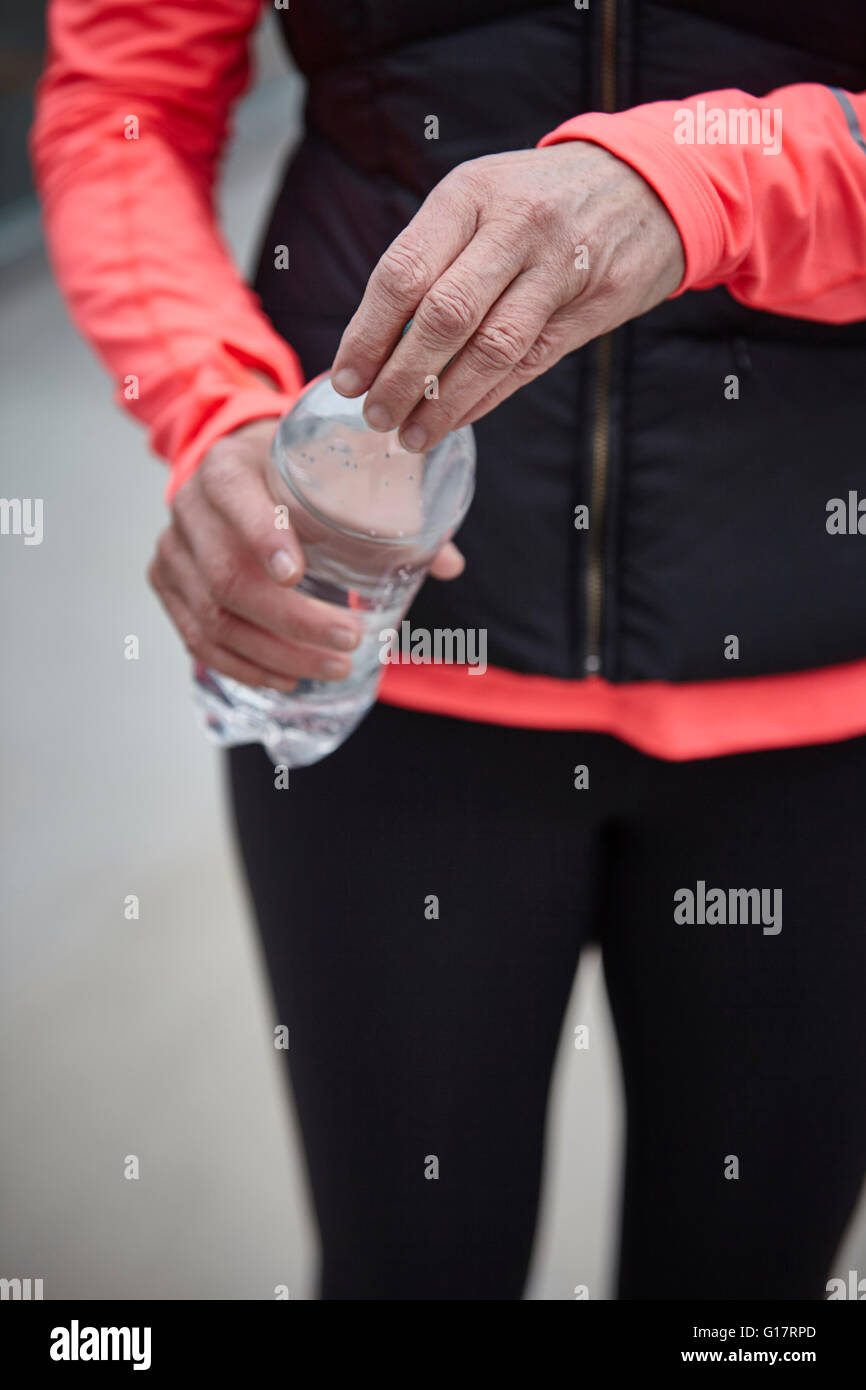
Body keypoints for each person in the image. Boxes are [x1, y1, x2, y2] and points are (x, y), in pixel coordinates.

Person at [32, 0, 866, 1300]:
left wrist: (721, 176)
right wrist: (214, 409)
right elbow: (124, 99)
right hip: (381, 663)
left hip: (828, 704)